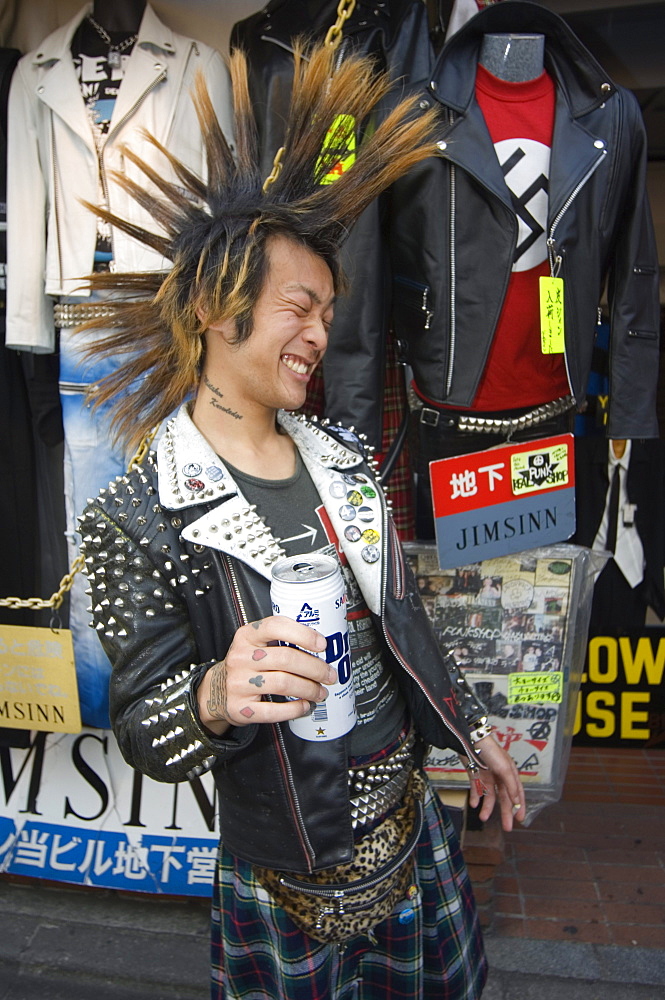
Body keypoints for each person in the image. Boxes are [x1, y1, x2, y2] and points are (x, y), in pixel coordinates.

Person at [77, 43, 525, 1000]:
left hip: (416, 854)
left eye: (326, 310)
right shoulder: (136, 514)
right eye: (299, 306)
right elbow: (145, 732)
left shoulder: (346, 462)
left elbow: (401, 624)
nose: (319, 336)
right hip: (281, 888)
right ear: (211, 304)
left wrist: (472, 728)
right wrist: (212, 694)